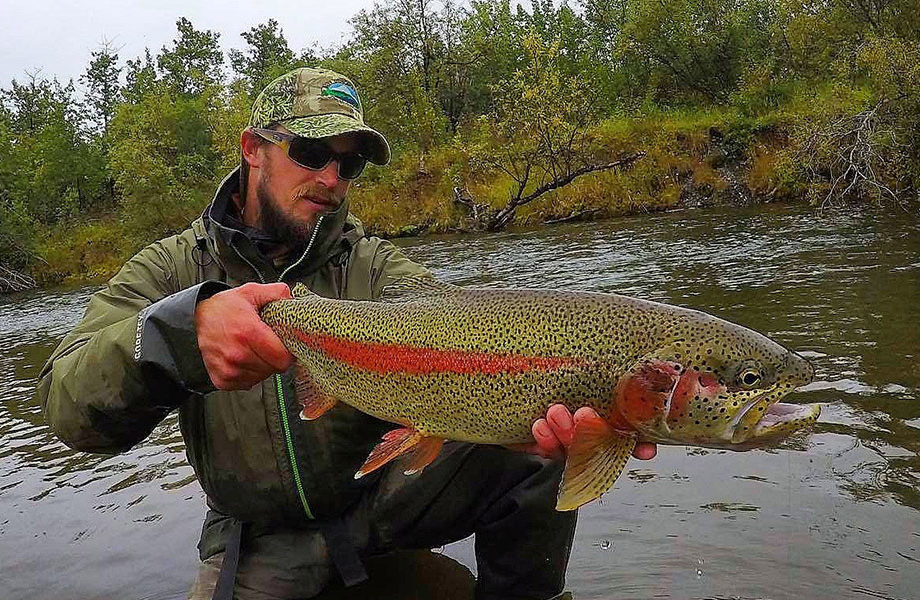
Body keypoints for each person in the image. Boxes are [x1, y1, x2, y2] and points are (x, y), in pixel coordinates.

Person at [36, 67, 656, 600]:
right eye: (310, 153)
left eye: (349, 163)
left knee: (534, 460)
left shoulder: (375, 267)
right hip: (258, 541)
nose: (332, 177)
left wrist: (534, 409)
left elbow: (461, 318)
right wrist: (174, 337)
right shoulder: (170, 269)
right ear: (254, 148)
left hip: (377, 509)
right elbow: (66, 407)